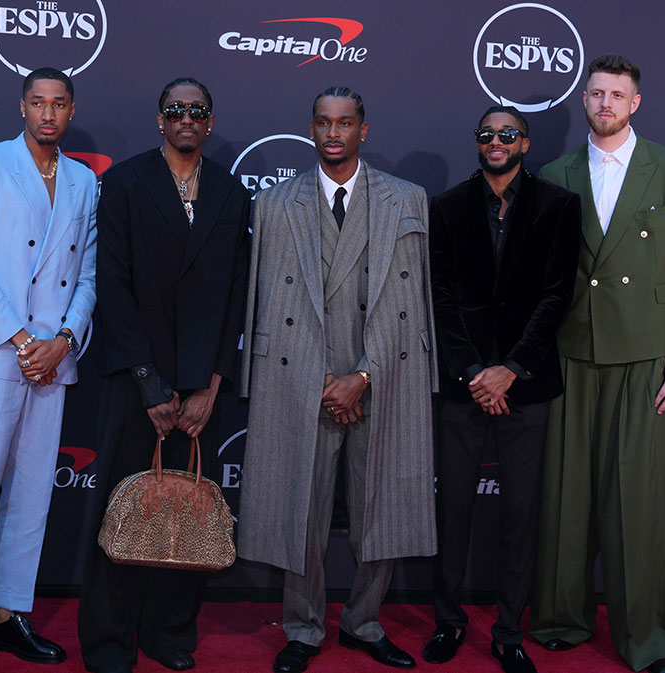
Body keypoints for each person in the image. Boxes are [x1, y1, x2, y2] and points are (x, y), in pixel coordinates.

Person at [238, 86, 437, 673]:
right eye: (323, 123)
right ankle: (302, 627)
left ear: (363, 130)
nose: (333, 133)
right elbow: (266, 304)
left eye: (344, 123)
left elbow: (417, 302)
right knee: (301, 506)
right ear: (311, 129)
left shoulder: (407, 200)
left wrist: (365, 375)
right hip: (303, 378)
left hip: (383, 374)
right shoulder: (275, 203)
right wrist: (324, 379)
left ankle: (364, 621)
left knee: (384, 503)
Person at [529, 54, 665, 673]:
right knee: (565, 495)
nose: (605, 103)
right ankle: (559, 618)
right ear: (584, 100)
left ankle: (648, 639)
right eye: (596, 92)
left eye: (617, 95)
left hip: (643, 356)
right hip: (571, 353)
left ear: (635, 104)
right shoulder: (555, 172)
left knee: (636, 505)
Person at [76, 77, 251, 673]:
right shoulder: (123, 182)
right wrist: (150, 383)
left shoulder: (231, 190)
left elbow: (236, 295)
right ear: (160, 120)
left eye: (197, 110)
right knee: (125, 510)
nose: (186, 118)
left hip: (203, 385)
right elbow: (113, 286)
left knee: (190, 514)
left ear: (209, 120)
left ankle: (170, 633)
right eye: (175, 109)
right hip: (134, 381)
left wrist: (212, 383)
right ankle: (109, 641)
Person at [0, 67, 98, 673]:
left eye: (59, 104)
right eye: (39, 102)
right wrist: (21, 339)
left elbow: (86, 276)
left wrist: (62, 339)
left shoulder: (85, 181)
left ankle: (7, 617)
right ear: (23, 107)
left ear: (71, 109)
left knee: (32, 495)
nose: (49, 114)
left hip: (52, 360)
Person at [423, 106, 579, 673]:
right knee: (453, 508)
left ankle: (510, 630)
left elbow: (557, 296)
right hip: (464, 384)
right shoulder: (446, 207)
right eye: (487, 134)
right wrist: (473, 373)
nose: (496, 141)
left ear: (525, 143)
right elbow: (439, 298)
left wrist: (510, 368)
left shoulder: (560, 206)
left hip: (527, 383)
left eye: (506, 134)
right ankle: (448, 621)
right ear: (477, 142)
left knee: (521, 512)